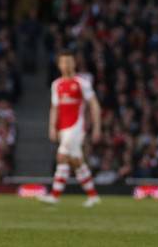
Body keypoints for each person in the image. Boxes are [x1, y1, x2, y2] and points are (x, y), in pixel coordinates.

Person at [39, 52, 102, 207]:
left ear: (74, 63)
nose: (66, 65)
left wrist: (97, 127)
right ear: (59, 65)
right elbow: (55, 108)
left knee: (61, 156)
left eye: (69, 62)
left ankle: (54, 196)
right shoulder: (56, 84)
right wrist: (52, 127)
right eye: (63, 62)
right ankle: (93, 196)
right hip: (63, 128)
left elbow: (94, 104)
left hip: (76, 126)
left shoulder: (82, 82)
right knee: (76, 161)